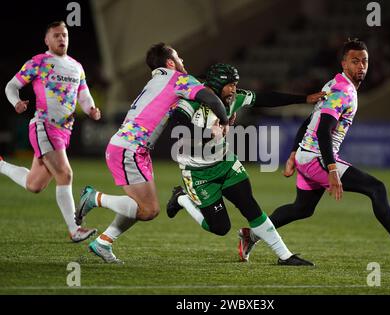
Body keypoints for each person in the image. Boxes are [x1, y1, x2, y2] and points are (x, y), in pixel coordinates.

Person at [238, 39, 390, 262]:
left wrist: (294, 152)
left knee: (302, 208)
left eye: (364, 61)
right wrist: (332, 170)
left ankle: (251, 235)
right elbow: (323, 130)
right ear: (344, 63)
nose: (361, 66)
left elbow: (310, 120)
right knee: (376, 188)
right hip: (317, 158)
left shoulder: (333, 84)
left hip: (308, 155)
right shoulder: (344, 91)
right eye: (355, 61)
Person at [75, 43, 230, 263]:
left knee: (141, 206)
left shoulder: (155, 81)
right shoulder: (178, 79)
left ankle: (103, 242)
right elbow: (211, 99)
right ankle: (94, 198)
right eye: (179, 57)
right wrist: (224, 122)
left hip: (131, 147)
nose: (182, 61)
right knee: (148, 210)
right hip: (131, 148)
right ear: (170, 63)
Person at [166, 63, 326, 265]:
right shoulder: (191, 101)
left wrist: (303, 98)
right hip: (198, 174)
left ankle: (285, 256)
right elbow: (176, 128)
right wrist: (207, 134)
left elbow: (265, 98)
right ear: (216, 84)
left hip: (226, 164)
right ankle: (181, 198)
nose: (234, 89)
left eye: (235, 84)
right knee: (219, 227)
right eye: (230, 85)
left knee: (251, 207)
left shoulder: (233, 99)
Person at [1, 21, 100, 242]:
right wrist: (16, 102)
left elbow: (84, 96)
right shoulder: (39, 62)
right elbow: (11, 86)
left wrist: (91, 110)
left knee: (34, 185)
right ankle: (75, 229)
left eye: (64, 35)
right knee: (65, 174)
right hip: (44, 125)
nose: (61, 39)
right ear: (47, 40)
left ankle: (0, 164)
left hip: (64, 131)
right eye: (56, 35)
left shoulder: (76, 66)